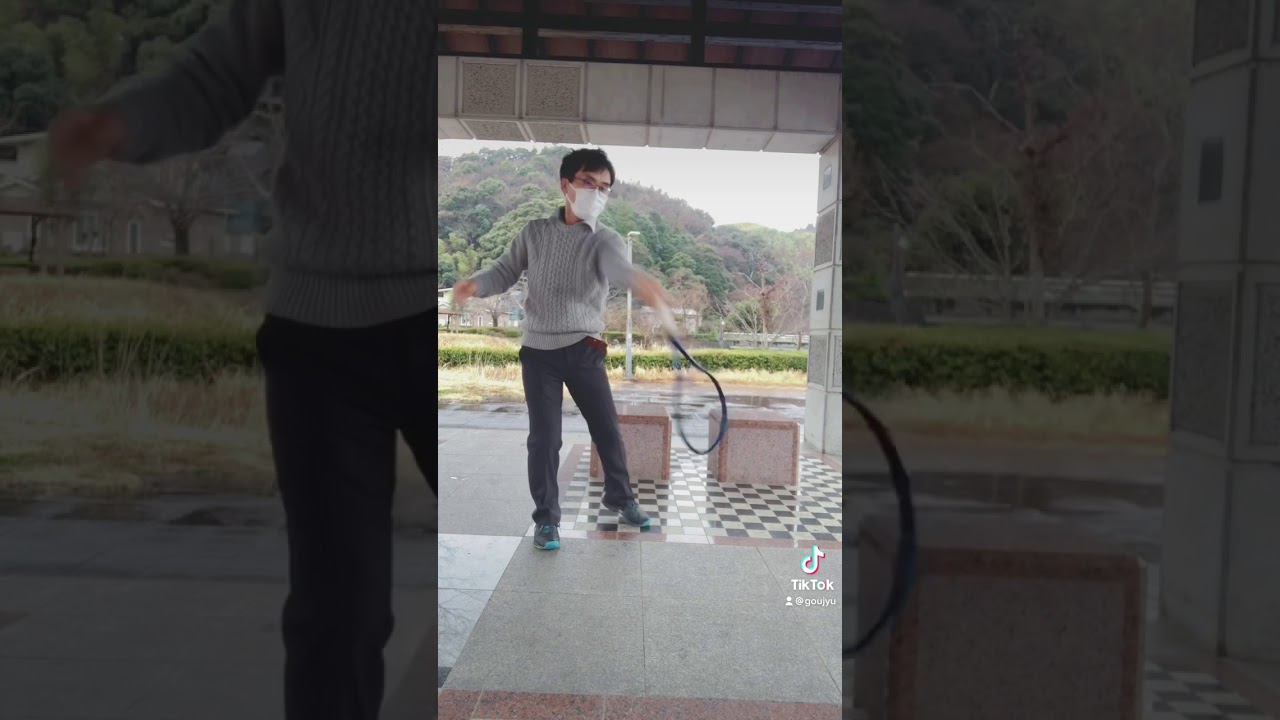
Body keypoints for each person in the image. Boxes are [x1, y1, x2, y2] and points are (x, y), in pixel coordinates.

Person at [45, 2, 435, 719]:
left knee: (511, 564)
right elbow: (214, 74)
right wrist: (119, 122)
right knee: (336, 617)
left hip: (439, 304)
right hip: (319, 325)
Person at [452, 148, 670, 551]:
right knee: (544, 439)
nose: (597, 193)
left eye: (604, 187)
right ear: (566, 185)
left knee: (607, 430)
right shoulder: (534, 233)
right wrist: (476, 285)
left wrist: (640, 282)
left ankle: (620, 497)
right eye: (589, 182)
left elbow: (621, 270)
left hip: (584, 348)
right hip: (538, 352)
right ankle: (547, 520)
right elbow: (503, 271)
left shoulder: (605, 239)